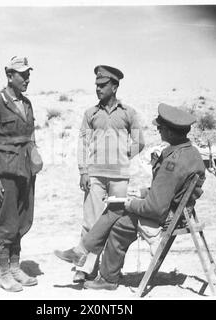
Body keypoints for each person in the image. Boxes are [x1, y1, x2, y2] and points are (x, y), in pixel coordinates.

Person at [54, 103, 206, 290]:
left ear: (172, 132)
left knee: (118, 215)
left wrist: (129, 203)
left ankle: (103, 273)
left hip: (168, 216)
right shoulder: (190, 153)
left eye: (161, 127)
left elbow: (155, 208)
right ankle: (85, 254)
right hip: (181, 211)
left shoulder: (172, 163)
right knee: (117, 209)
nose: (158, 129)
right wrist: (141, 193)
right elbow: (171, 190)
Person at [55, 65, 145, 282]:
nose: (98, 89)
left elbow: (140, 141)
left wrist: (124, 156)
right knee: (91, 223)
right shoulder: (90, 114)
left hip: (120, 176)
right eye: (96, 85)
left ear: (114, 87)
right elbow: (82, 142)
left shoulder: (128, 113)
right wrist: (83, 171)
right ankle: (85, 270)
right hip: (95, 176)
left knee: (115, 225)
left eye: (103, 85)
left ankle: (107, 273)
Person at [0, 56, 43, 292]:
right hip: (5, 172)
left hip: (25, 171)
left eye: (28, 74)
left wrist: (35, 158)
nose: (27, 79)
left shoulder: (27, 103)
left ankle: (15, 266)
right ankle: (4, 273)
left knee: (23, 219)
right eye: (22, 75)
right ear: (9, 75)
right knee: (7, 222)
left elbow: (30, 135)